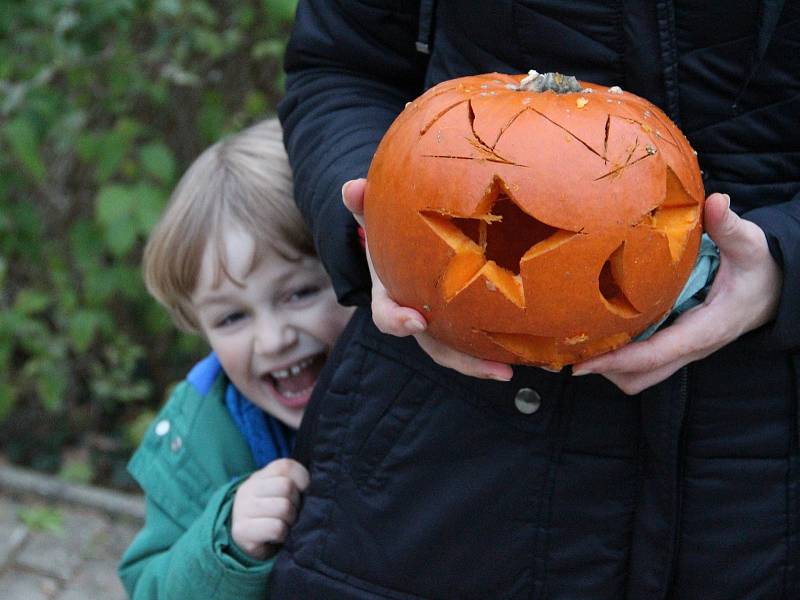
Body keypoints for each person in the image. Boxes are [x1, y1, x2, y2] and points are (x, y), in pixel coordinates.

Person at [270, 2, 799, 599]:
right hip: (439, 453)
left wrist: (787, 264)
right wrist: (378, 230)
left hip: (763, 469)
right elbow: (342, 66)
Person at [117, 118, 354, 599]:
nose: (272, 340)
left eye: (299, 293)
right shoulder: (200, 437)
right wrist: (225, 542)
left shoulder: (423, 378)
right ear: (196, 324)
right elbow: (149, 588)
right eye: (231, 319)